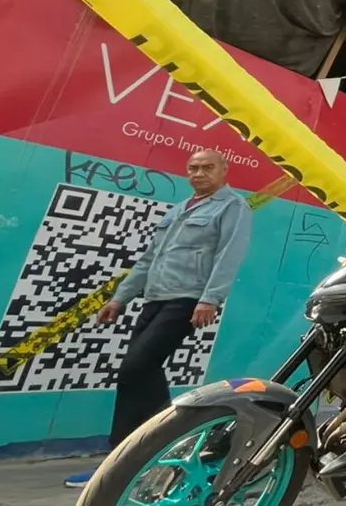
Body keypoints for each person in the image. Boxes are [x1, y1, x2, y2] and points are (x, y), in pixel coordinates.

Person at [64, 150, 253, 489]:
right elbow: (148, 259)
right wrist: (120, 298)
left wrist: (210, 298)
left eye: (207, 167)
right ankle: (127, 458)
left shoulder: (232, 207)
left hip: (187, 300)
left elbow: (230, 255)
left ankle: (164, 441)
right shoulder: (180, 210)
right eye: (193, 168)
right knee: (131, 377)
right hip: (154, 299)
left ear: (225, 170)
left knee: (137, 368)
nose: (198, 173)